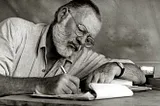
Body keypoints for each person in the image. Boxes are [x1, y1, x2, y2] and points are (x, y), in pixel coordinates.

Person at [0, 0, 146, 96]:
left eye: (88, 39)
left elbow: (140, 76)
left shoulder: (81, 56)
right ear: (63, 15)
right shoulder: (15, 30)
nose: (81, 41)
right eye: (81, 30)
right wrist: (43, 85)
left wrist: (114, 67)